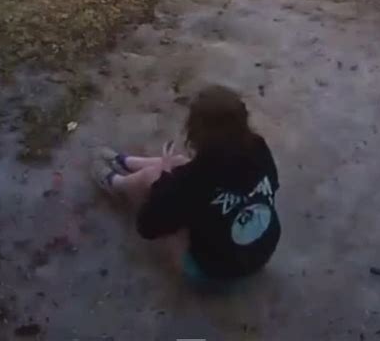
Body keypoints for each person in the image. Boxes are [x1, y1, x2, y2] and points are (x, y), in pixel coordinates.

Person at [91, 85, 281, 285]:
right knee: (179, 164)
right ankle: (125, 162)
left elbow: (147, 227)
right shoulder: (257, 146)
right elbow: (273, 184)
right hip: (264, 249)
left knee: (155, 179)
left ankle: (115, 183)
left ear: (196, 133)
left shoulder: (193, 180)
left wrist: (164, 177)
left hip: (217, 273)